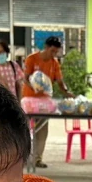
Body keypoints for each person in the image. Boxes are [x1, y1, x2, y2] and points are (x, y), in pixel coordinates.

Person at [22, 36, 73, 168]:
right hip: (30, 101)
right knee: (26, 130)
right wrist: (33, 86)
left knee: (42, 130)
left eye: (56, 52)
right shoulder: (32, 59)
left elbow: (60, 81)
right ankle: (24, 158)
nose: (54, 54)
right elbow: (25, 78)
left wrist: (66, 92)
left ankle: (38, 159)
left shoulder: (54, 63)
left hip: (44, 102)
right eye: (52, 51)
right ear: (46, 47)